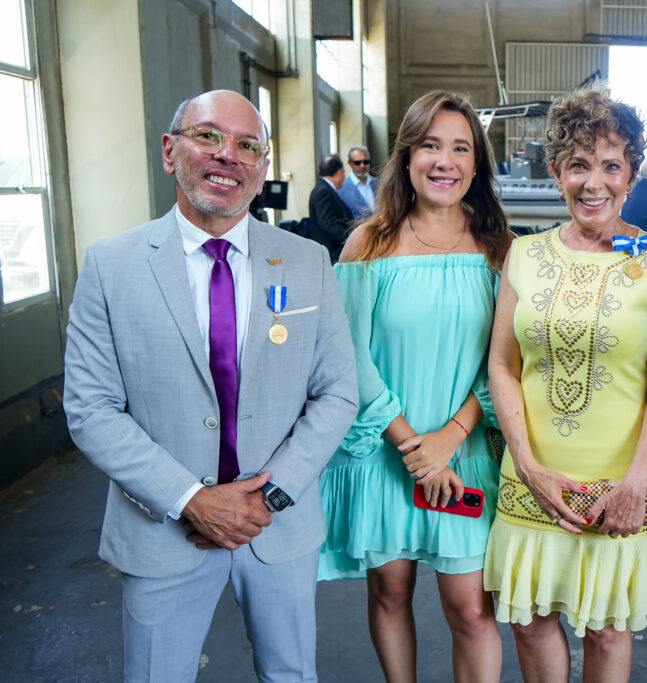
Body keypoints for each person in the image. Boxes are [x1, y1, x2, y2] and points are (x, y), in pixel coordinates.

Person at [63, 90, 358, 681]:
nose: (228, 156)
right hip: (163, 530)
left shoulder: (306, 262)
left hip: (276, 527)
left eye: (247, 145)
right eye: (208, 136)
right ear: (171, 151)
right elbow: (91, 408)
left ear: (263, 169)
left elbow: (337, 393)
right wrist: (192, 500)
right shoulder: (111, 266)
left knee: (291, 676)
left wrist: (266, 499)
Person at [485, 87, 647, 683]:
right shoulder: (523, 255)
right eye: (578, 164)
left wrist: (635, 482)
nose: (593, 182)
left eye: (610, 165)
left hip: (618, 479)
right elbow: (503, 365)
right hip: (533, 473)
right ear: (556, 173)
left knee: (606, 625)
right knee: (531, 619)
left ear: (632, 174)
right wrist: (526, 464)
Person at [318, 90, 512, 683]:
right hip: (386, 451)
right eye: (430, 145)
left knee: (472, 611)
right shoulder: (367, 243)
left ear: (476, 165)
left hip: (465, 451)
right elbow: (351, 356)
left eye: (460, 148)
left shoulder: (499, 250)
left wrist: (450, 440)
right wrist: (415, 450)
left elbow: (504, 360)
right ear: (406, 157)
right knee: (390, 594)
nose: (444, 161)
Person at [308, 153, 355, 262]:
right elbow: (327, 223)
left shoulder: (324, 188)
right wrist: (350, 240)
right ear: (340, 172)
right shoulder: (323, 191)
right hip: (331, 252)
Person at [338, 145, 380, 218]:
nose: (362, 165)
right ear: (349, 163)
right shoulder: (342, 188)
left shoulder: (379, 183)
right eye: (358, 163)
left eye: (366, 162)